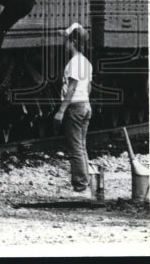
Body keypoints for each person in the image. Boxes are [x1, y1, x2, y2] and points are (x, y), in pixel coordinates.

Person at [54, 22, 93, 195]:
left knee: (76, 148)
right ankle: (85, 184)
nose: (64, 43)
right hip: (84, 105)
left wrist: (61, 110)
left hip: (75, 108)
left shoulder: (75, 63)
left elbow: (71, 88)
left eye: (67, 40)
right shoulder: (86, 63)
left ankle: (80, 187)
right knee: (81, 147)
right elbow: (89, 87)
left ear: (73, 42)